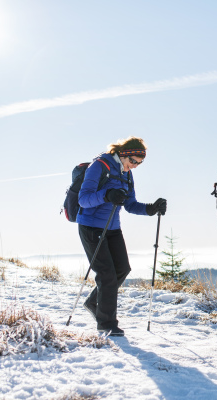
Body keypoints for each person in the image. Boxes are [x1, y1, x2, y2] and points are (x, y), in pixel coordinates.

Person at [77, 136, 167, 337]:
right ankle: (106, 324)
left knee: (122, 269)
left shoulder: (126, 174)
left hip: (112, 227)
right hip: (91, 227)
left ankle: (94, 302)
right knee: (107, 274)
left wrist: (151, 209)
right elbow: (83, 200)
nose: (134, 166)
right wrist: (106, 196)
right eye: (133, 161)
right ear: (124, 154)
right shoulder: (99, 166)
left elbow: (130, 204)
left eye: (139, 163)